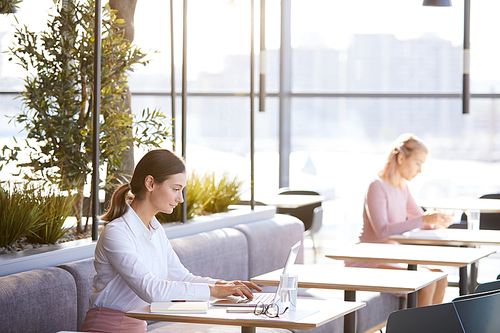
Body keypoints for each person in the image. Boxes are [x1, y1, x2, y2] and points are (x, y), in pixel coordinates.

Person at [81, 149, 262, 333]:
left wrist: (222, 285)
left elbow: (183, 277)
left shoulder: (155, 229)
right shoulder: (116, 233)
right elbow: (151, 290)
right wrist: (213, 291)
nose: (180, 198)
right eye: (175, 189)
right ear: (150, 183)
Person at [346, 133, 452, 307]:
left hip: (387, 257)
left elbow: (419, 219)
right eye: (418, 163)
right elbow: (382, 230)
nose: (420, 171)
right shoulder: (376, 186)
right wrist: (424, 220)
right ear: (402, 158)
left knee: (440, 276)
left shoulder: (402, 186)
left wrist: (436, 221)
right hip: (366, 260)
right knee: (428, 282)